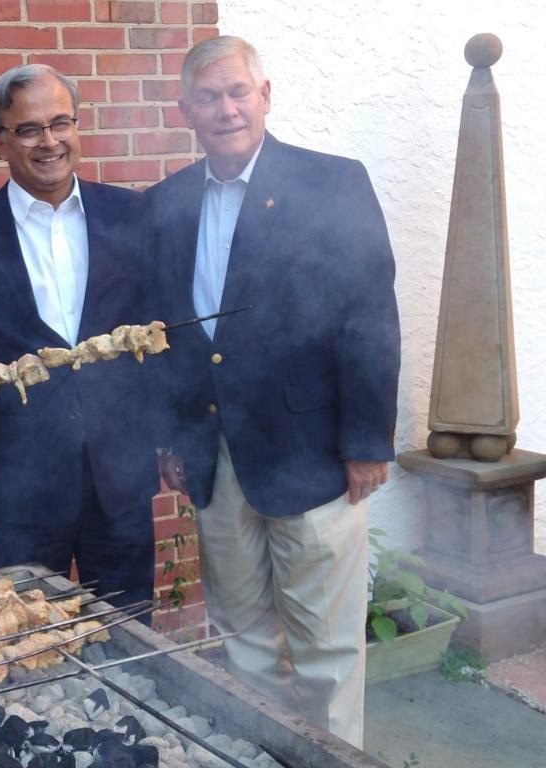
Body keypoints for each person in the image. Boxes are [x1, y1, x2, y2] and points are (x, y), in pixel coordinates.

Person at [147, 36, 400, 748]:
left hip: (315, 457)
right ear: (185, 110)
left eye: (237, 92)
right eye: (208, 97)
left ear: (265, 95)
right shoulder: (166, 203)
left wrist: (367, 442)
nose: (225, 109)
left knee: (326, 649)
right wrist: (173, 434)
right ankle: (260, 756)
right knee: (242, 639)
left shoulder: (333, 182)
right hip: (215, 457)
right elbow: (166, 328)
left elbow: (369, 317)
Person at [0, 64, 162, 611]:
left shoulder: (132, 215)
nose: (50, 141)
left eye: (61, 122)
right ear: (1, 140)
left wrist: (169, 440)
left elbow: (160, 341)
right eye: (29, 128)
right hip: (19, 482)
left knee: (128, 629)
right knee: (28, 635)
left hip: (121, 473)